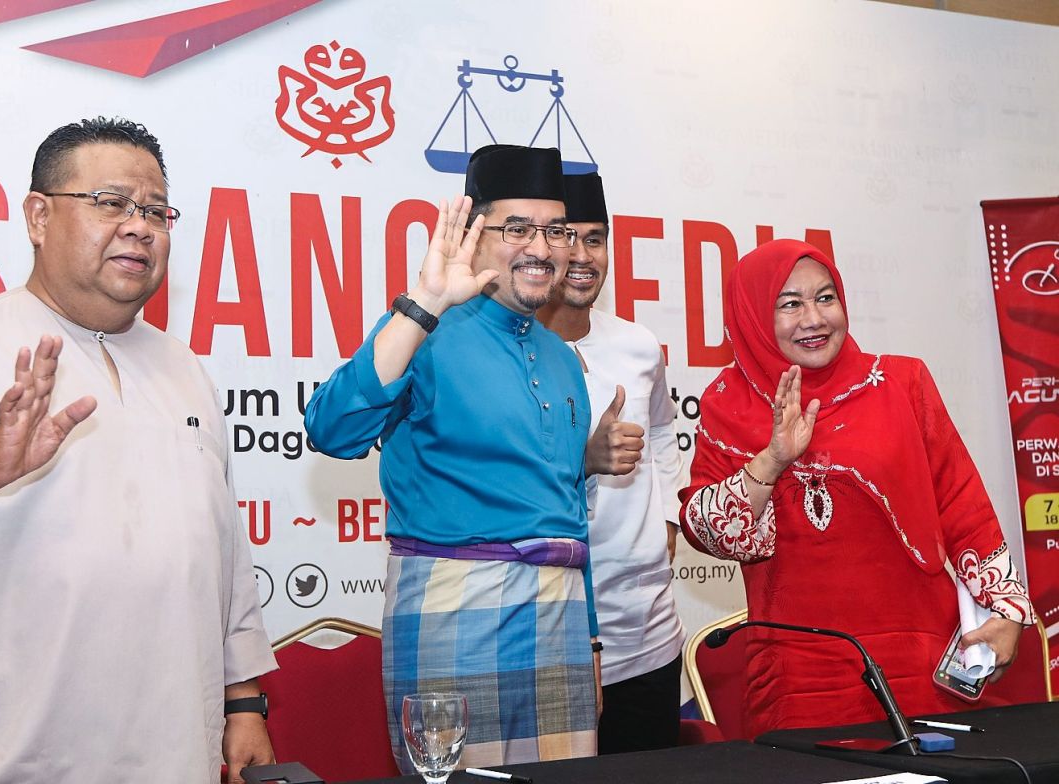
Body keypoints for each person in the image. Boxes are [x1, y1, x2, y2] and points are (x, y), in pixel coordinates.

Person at [0, 117, 277, 783]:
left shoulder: (184, 370)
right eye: (111, 203)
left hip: (175, 745)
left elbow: (222, 554)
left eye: (155, 211)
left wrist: (245, 703)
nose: (139, 226)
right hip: (6, 754)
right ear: (38, 216)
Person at [305, 145, 625, 768]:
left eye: (555, 230)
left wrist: (587, 636)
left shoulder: (564, 359)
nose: (542, 247)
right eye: (517, 228)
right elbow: (331, 429)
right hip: (454, 599)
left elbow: (569, 512)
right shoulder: (426, 329)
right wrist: (423, 304)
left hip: (559, 610)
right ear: (474, 234)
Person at [680, 238, 1035, 736]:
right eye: (790, 304)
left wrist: (1006, 609)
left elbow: (961, 503)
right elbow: (710, 534)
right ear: (753, 316)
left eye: (826, 298)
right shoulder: (727, 403)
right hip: (797, 674)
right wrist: (774, 458)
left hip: (918, 657)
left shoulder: (901, 382)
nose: (814, 318)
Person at [537, 172, 686, 753]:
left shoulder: (638, 346)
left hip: (647, 627)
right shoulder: (508, 351)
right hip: (552, 630)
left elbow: (665, 429)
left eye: (595, 239)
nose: (581, 256)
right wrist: (585, 461)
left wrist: (668, 518)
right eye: (564, 236)